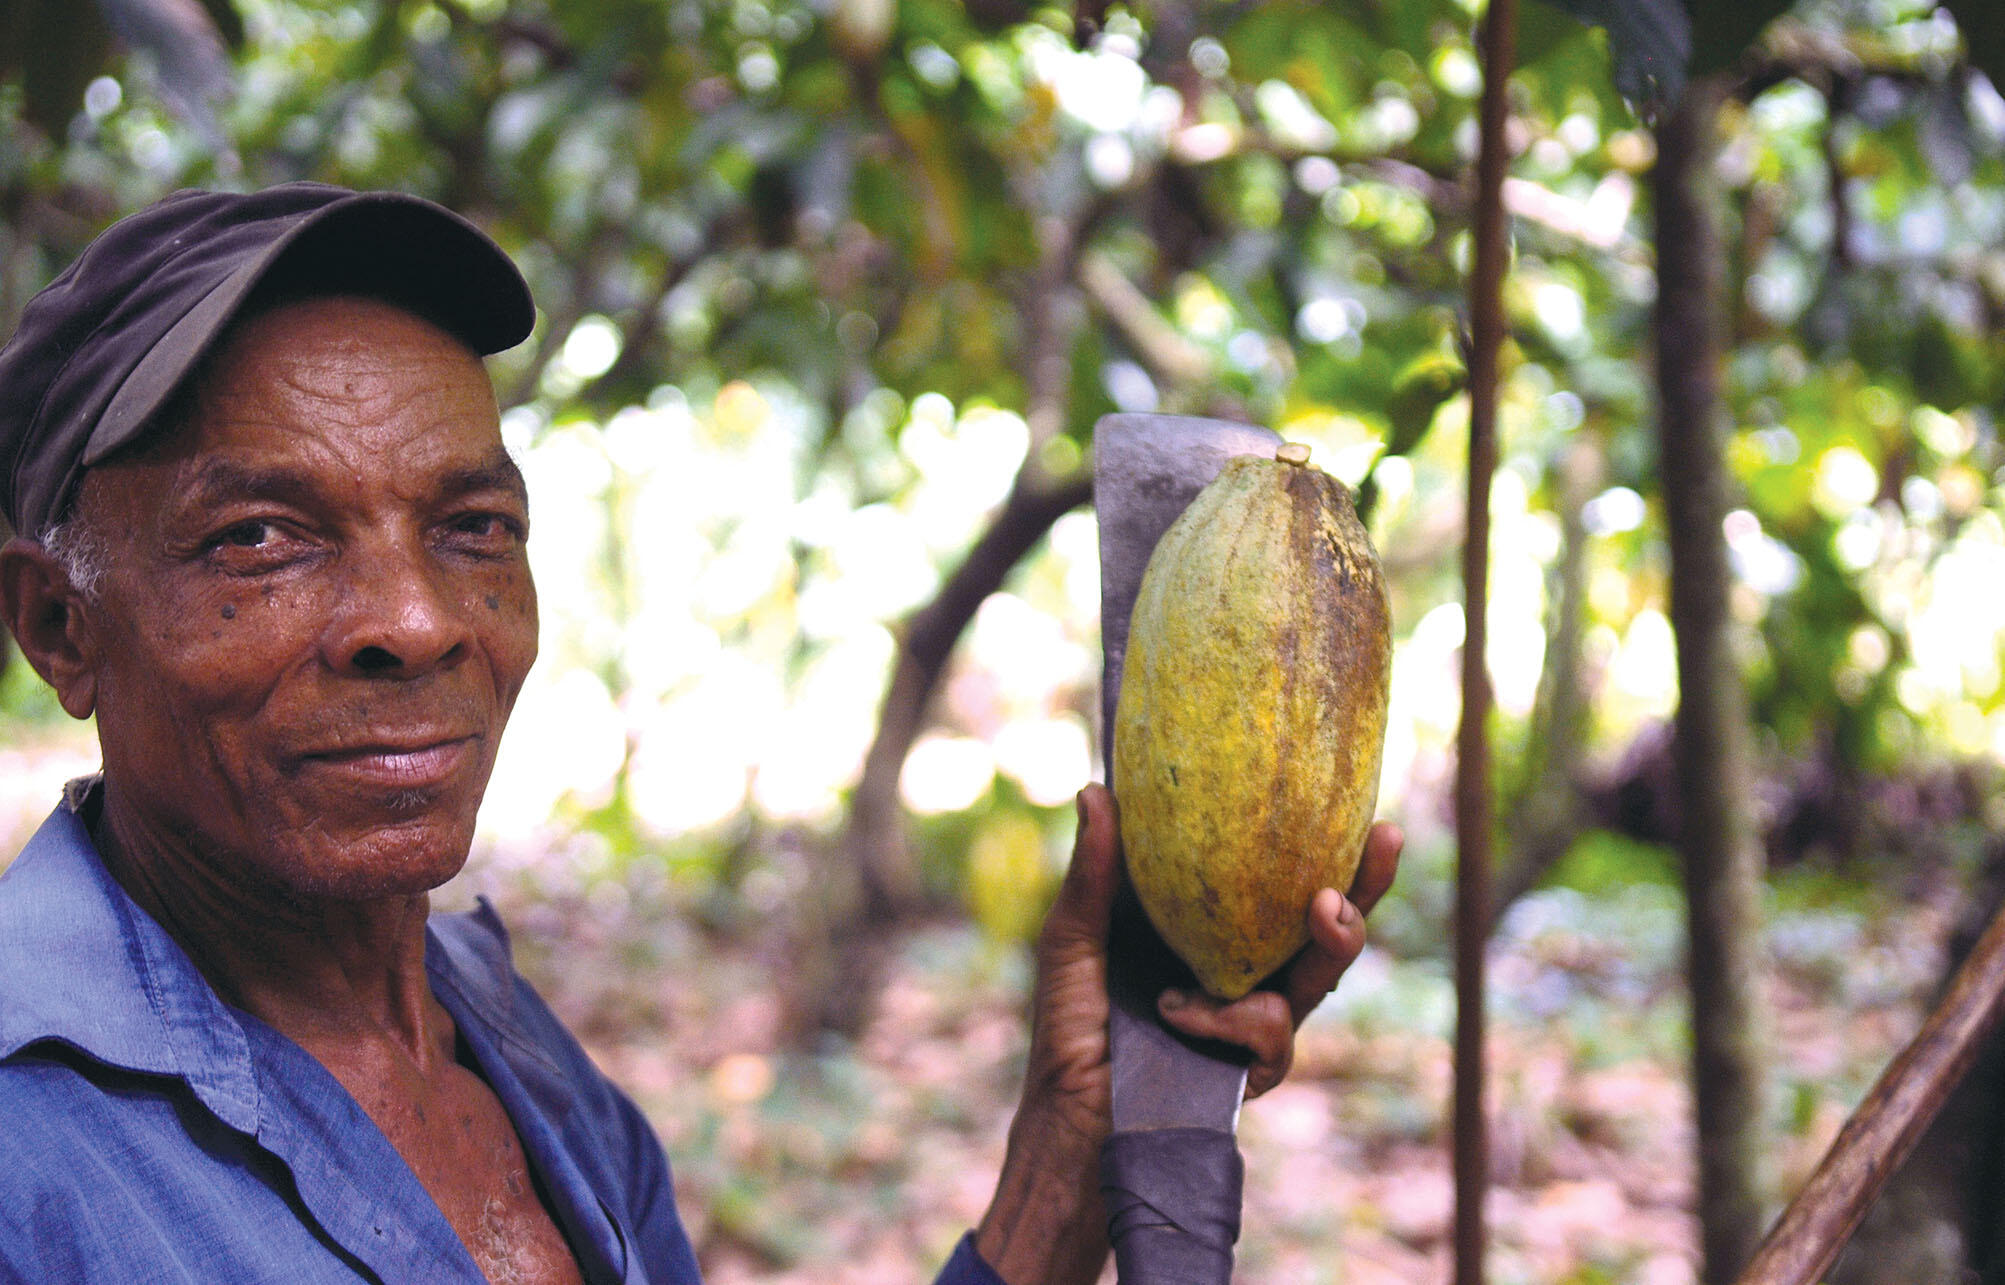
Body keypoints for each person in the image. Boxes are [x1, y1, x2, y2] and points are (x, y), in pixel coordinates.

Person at [0, 183, 1401, 1284]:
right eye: (262, 536)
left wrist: (1070, 1149)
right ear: (59, 624)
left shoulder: (499, 1036)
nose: (418, 620)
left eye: (471, 527)